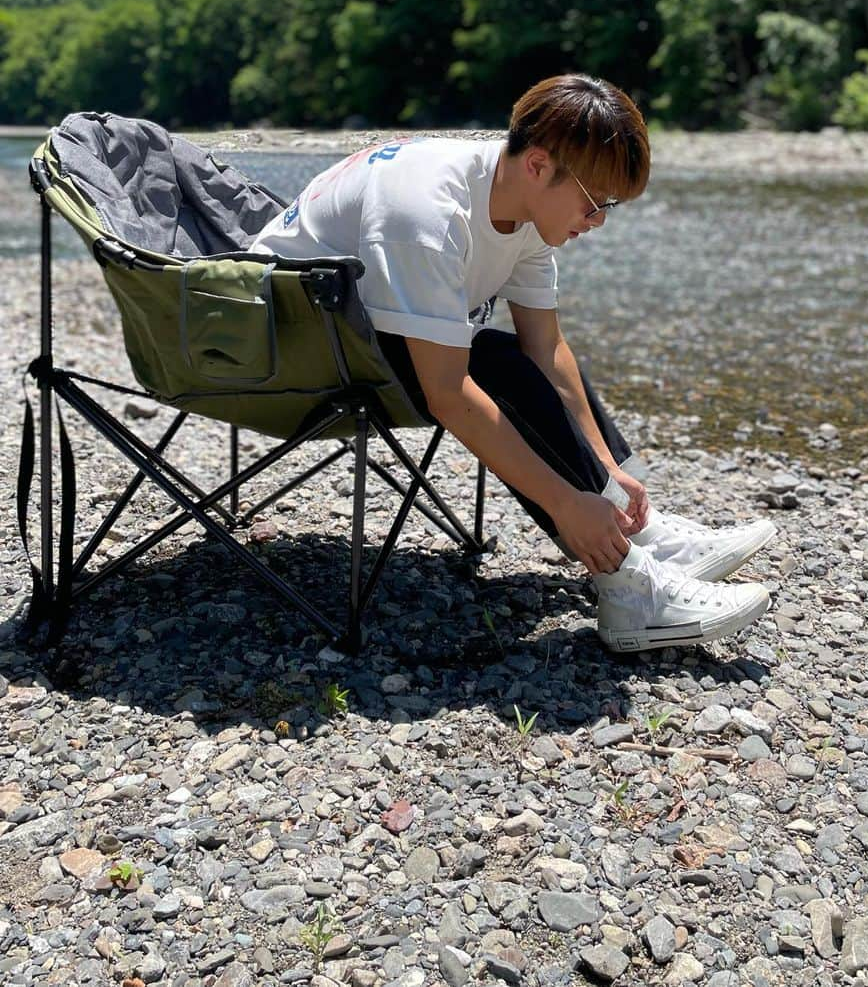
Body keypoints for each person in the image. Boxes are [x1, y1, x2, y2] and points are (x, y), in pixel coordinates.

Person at [249, 74, 774, 652]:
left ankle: (635, 529)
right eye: (594, 203)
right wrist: (565, 504)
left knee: (513, 354)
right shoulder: (426, 212)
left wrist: (605, 471)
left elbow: (547, 348)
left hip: (353, 326)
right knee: (493, 361)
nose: (598, 221)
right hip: (288, 349)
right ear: (538, 166)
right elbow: (449, 393)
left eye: (611, 207)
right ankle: (629, 588)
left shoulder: (523, 207)